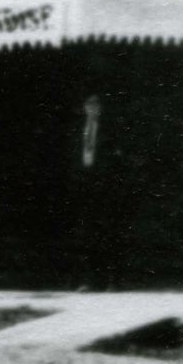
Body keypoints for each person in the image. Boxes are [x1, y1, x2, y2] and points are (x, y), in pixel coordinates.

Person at [65, 92, 124, 291]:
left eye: (96, 105)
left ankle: (110, 281)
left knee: (106, 231)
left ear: (101, 109)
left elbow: (115, 159)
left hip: (103, 187)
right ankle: (87, 280)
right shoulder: (78, 130)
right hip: (83, 186)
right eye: (89, 105)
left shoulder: (110, 130)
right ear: (84, 108)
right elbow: (73, 156)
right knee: (85, 233)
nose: (92, 109)